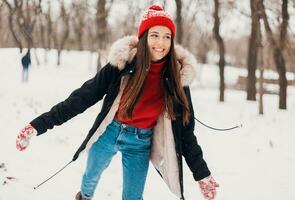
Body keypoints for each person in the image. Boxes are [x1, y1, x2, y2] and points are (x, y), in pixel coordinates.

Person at [16, 5, 219, 200]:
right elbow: (81, 98)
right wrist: (38, 125)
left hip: (141, 143)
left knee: (133, 197)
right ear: (143, 38)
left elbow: (185, 132)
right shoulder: (122, 65)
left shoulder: (177, 79)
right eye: (154, 35)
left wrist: (202, 174)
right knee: (90, 178)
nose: (161, 43)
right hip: (109, 132)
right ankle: (85, 197)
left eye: (167, 37)